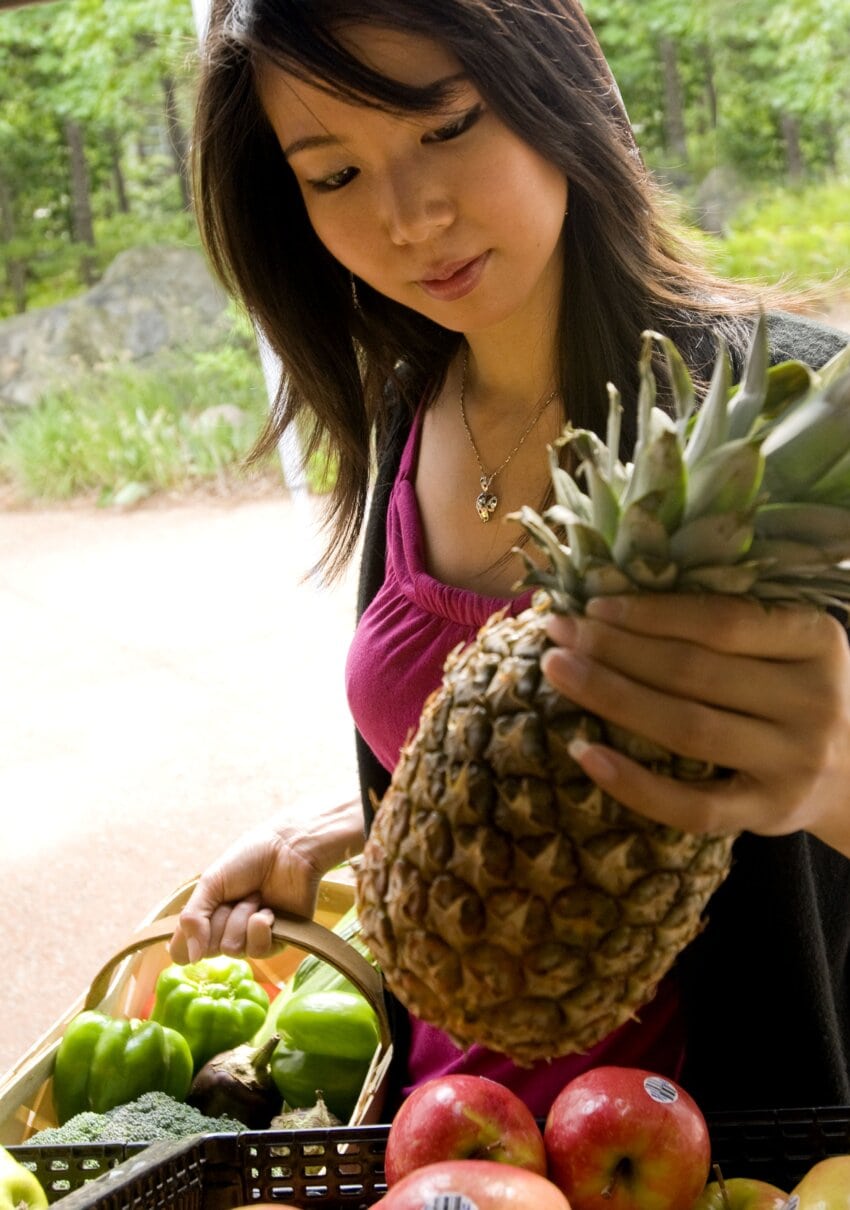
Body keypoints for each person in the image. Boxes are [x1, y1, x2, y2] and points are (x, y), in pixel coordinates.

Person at [168, 0, 850, 1115]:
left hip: (705, 1161)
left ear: (561, 86)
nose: (410, 215)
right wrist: (341, 824)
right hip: (439, 1134)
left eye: (446, 127)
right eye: (332, 175)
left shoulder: (779, 416)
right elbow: (519, 735)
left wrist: (834, 777)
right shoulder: (409, 404)